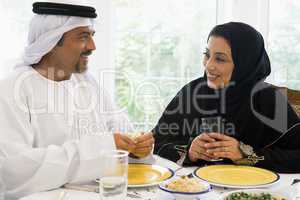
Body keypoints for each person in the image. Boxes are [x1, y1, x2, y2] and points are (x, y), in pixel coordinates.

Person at [0, 1, 154, 199]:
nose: (92, 46)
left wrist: (135, 149)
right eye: (83, 37)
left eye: (92, 36)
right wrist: (105, 148)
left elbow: (119, 132)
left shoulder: (87, 83)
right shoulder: (12, 90)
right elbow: (13, 171)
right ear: (51, 41)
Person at [153, 22, 300, 173]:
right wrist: (189, 151)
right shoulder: (192, 92)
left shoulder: (269, 100)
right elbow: (156, 142)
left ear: (245, 64)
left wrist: (245, 154)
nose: (208, 66)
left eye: (220, 59)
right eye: (207, 55)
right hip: (196, 190)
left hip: (255, 190)